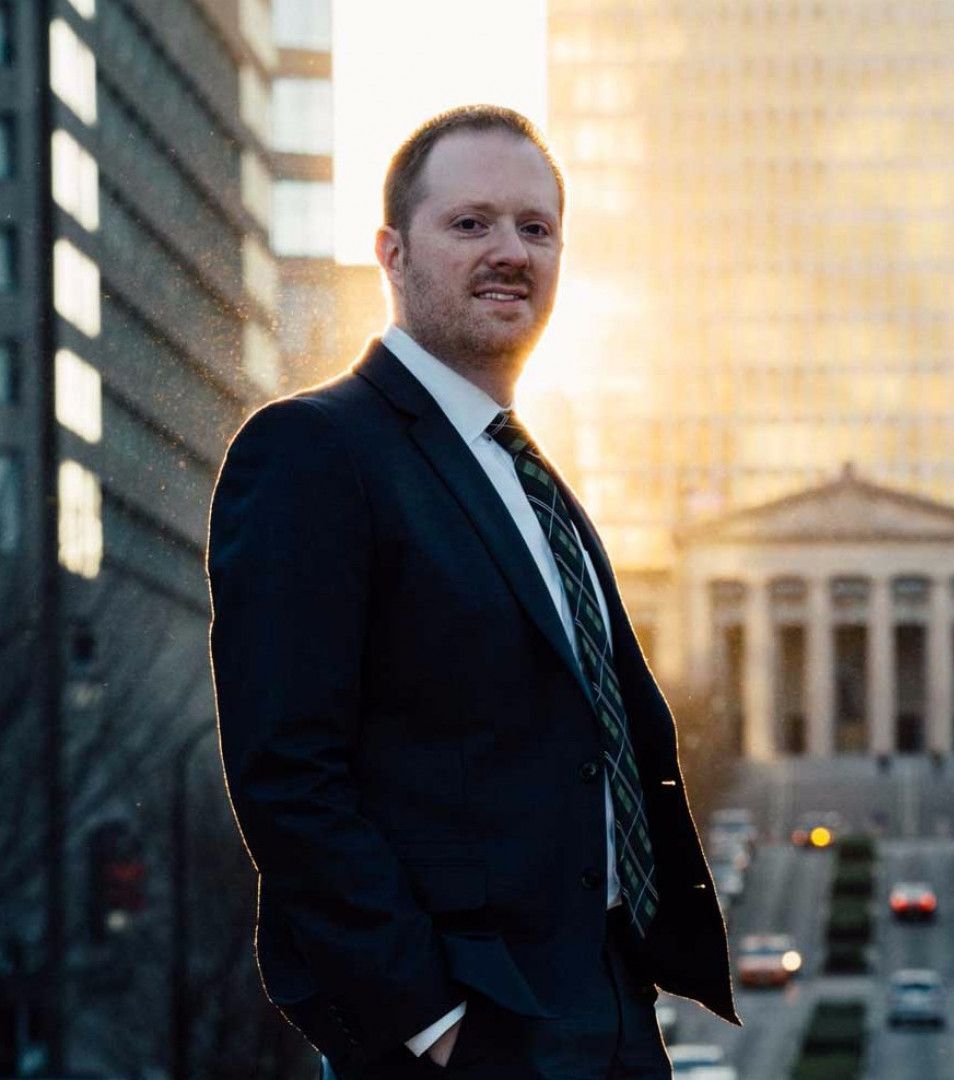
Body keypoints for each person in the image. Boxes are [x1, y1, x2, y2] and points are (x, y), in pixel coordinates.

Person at [207, 105, 737, 1079]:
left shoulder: (533, 476)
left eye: (536, 229)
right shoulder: (314, 451)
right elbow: (287, 775)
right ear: (393, 252)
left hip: (607, 1001)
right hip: (472, 1022)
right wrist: (432, 1021)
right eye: (472, 223)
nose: (511, 251)